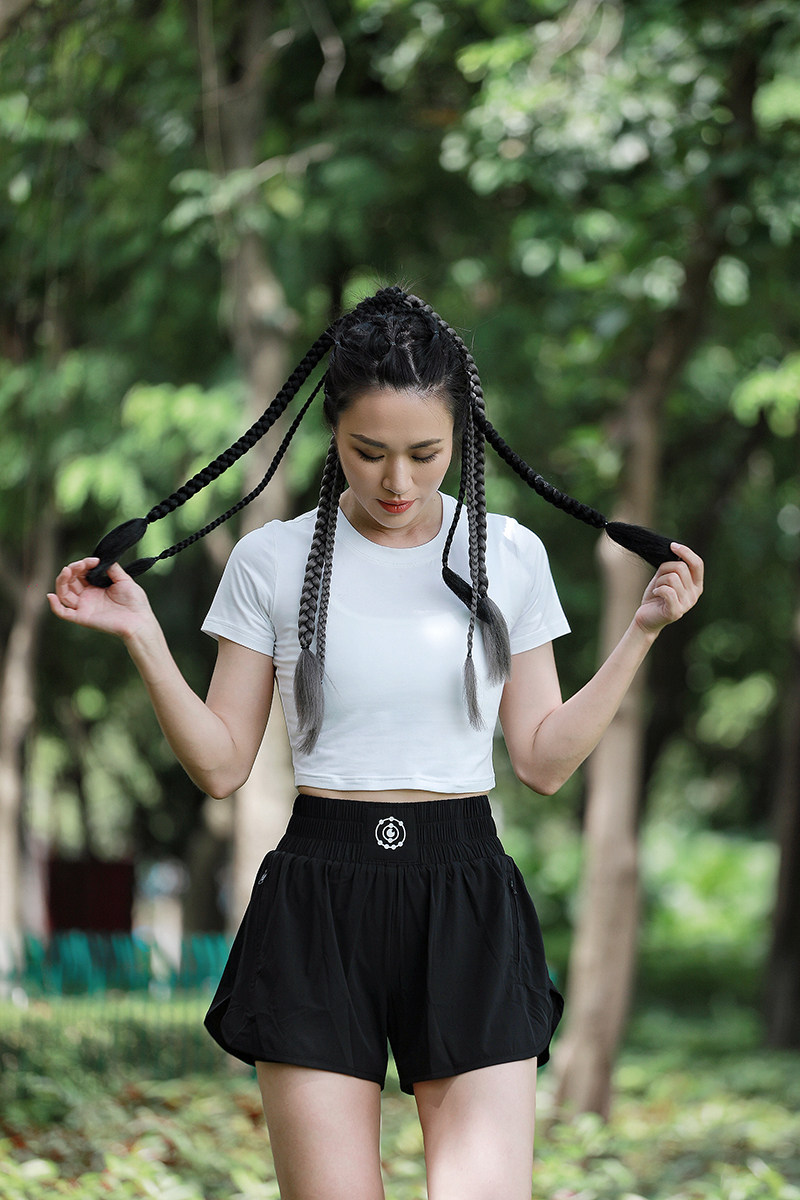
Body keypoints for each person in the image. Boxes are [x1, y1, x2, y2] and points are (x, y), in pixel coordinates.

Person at [48, 285, 703, 1200]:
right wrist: (144, 638)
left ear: (460, 437)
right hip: (318, 897)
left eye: (425, 454)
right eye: (369, 451)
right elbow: (222, 764)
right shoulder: (271, 560)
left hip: (465, 892)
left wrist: (640, 633)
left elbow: (543, 760)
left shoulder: (509, 554)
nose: (398, 481)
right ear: (333, 435)